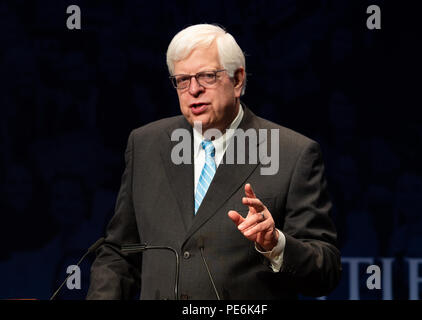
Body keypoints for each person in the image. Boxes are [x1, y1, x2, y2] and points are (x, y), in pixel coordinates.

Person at [87, 24, 341, 300]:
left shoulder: (291, 153)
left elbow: (325, 271)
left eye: (207, 76)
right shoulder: (146, 144)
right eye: (182, 80)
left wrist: (276, 244)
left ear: (238, 80)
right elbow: (119, 253)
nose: (193, 89)